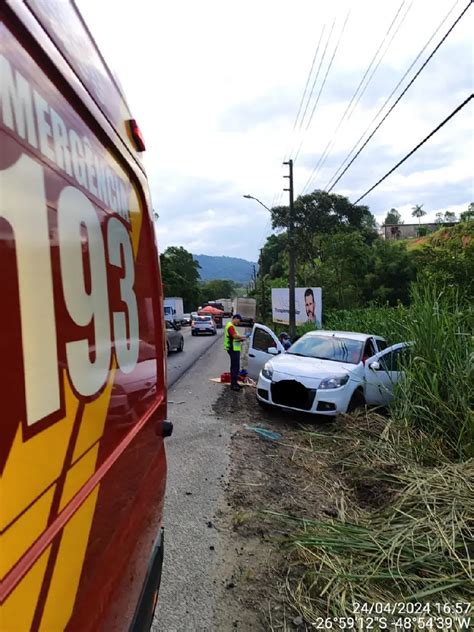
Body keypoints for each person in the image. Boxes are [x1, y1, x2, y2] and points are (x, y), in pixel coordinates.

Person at [224, 313, 246, 391]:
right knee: (235, 367)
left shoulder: (231, 326)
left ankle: (235, 383)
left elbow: (234, 338)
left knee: (235, 367)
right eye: (238, 321)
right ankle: (233, 385)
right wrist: (243, 337)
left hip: (234, 349)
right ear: (235, 318)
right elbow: (234, 336)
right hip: (232, 349)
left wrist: (240, 340)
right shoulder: (230, 326)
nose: (238, 323)